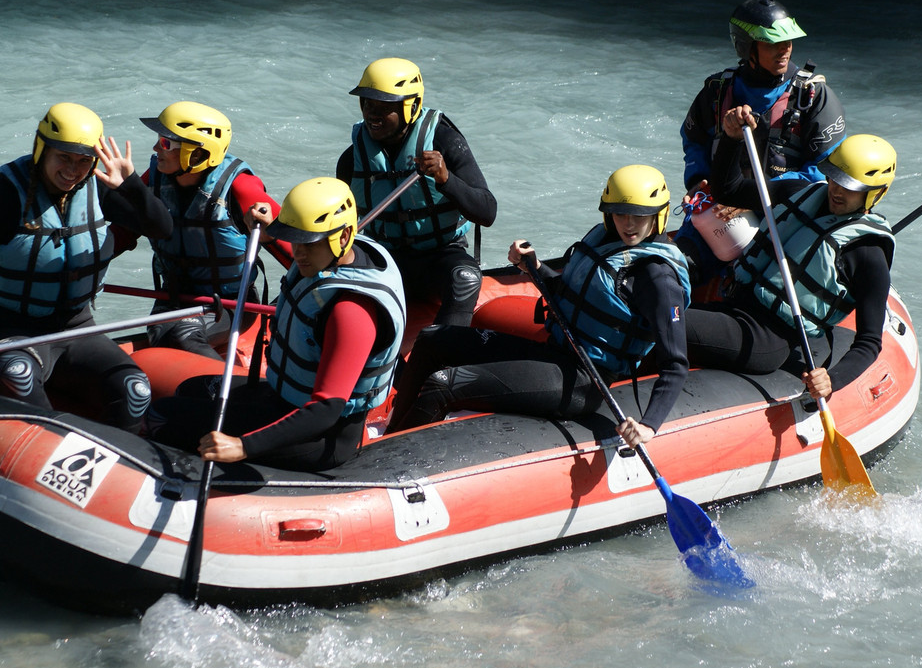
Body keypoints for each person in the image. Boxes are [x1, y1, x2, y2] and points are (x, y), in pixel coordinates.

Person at [388, 165, 691, 447]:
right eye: (620, 213)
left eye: (639, 215)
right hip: (553, 352)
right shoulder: (606, 243)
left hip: (583, 381)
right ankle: (388, 435)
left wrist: (649, 426)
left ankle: (389, 459)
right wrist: (534, 266)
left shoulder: (657, 278)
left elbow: (675, 364)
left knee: (444, 384)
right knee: (432, 338)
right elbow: (575, 297)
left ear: (660, 215)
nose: (628, 223)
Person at [145, 177, 406, 471]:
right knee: (191, 390)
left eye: (307, 243)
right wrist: (270, 234)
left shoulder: (351, 311)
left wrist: (242, 446)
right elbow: (302, 263)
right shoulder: (336, 255)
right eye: (294, 239)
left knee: (161, 416)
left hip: (320, 437)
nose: (298, 252)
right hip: (282, 397)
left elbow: (325, 410)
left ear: (343, 236)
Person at [0, 102, 174, 431]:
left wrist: (130, 185)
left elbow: (162, 228)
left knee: (136, 390)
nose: (73, 170)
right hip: (11, 333)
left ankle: (120, 468)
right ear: (42, 149)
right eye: (64, 158)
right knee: (20, 377)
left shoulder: (96, 185)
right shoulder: (7, 193)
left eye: (84, 161)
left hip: (78, 330)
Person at [686, 111, 896, 402]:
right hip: (732, 305)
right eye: (835, 178)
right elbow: (729, 190)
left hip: (764, 338)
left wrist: (831, 380)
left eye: (850, 188)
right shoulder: (799, 192)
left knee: (664, 321)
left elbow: (870, 342)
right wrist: (731, 141)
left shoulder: (867, 255)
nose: (837, 190)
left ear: (877, 193)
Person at [675, 0, 847, 283]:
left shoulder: (814, 97)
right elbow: (693, 142)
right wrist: (699, 182)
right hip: (720, 210)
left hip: (786, 214)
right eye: (771, 43)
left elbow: (826, 171)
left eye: (788, 41)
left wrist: (749, 198)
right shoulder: (717, 91)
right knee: (677, 268)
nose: (784, 50)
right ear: (746, 47)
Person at [336, 57, 497, 327]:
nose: (371, 113)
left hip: (440, 256)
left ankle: (441, 358)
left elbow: (487, 211)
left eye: (383, 106)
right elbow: (340, 229)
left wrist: (446, 178)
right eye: (367, 103)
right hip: (385, 257)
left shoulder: (446, 141)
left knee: (465, 278)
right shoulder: (352, 160)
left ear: (411, 106)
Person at [131, 101, 292, 359]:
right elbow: (120, 234)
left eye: (165, 143)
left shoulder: (241, 187)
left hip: (230, 304)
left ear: (197, 154)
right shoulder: (154, 178)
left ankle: (218, 392)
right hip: (174, 297)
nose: (155, 148)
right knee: (160, 334)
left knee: (182, 335)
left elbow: (298, 252)